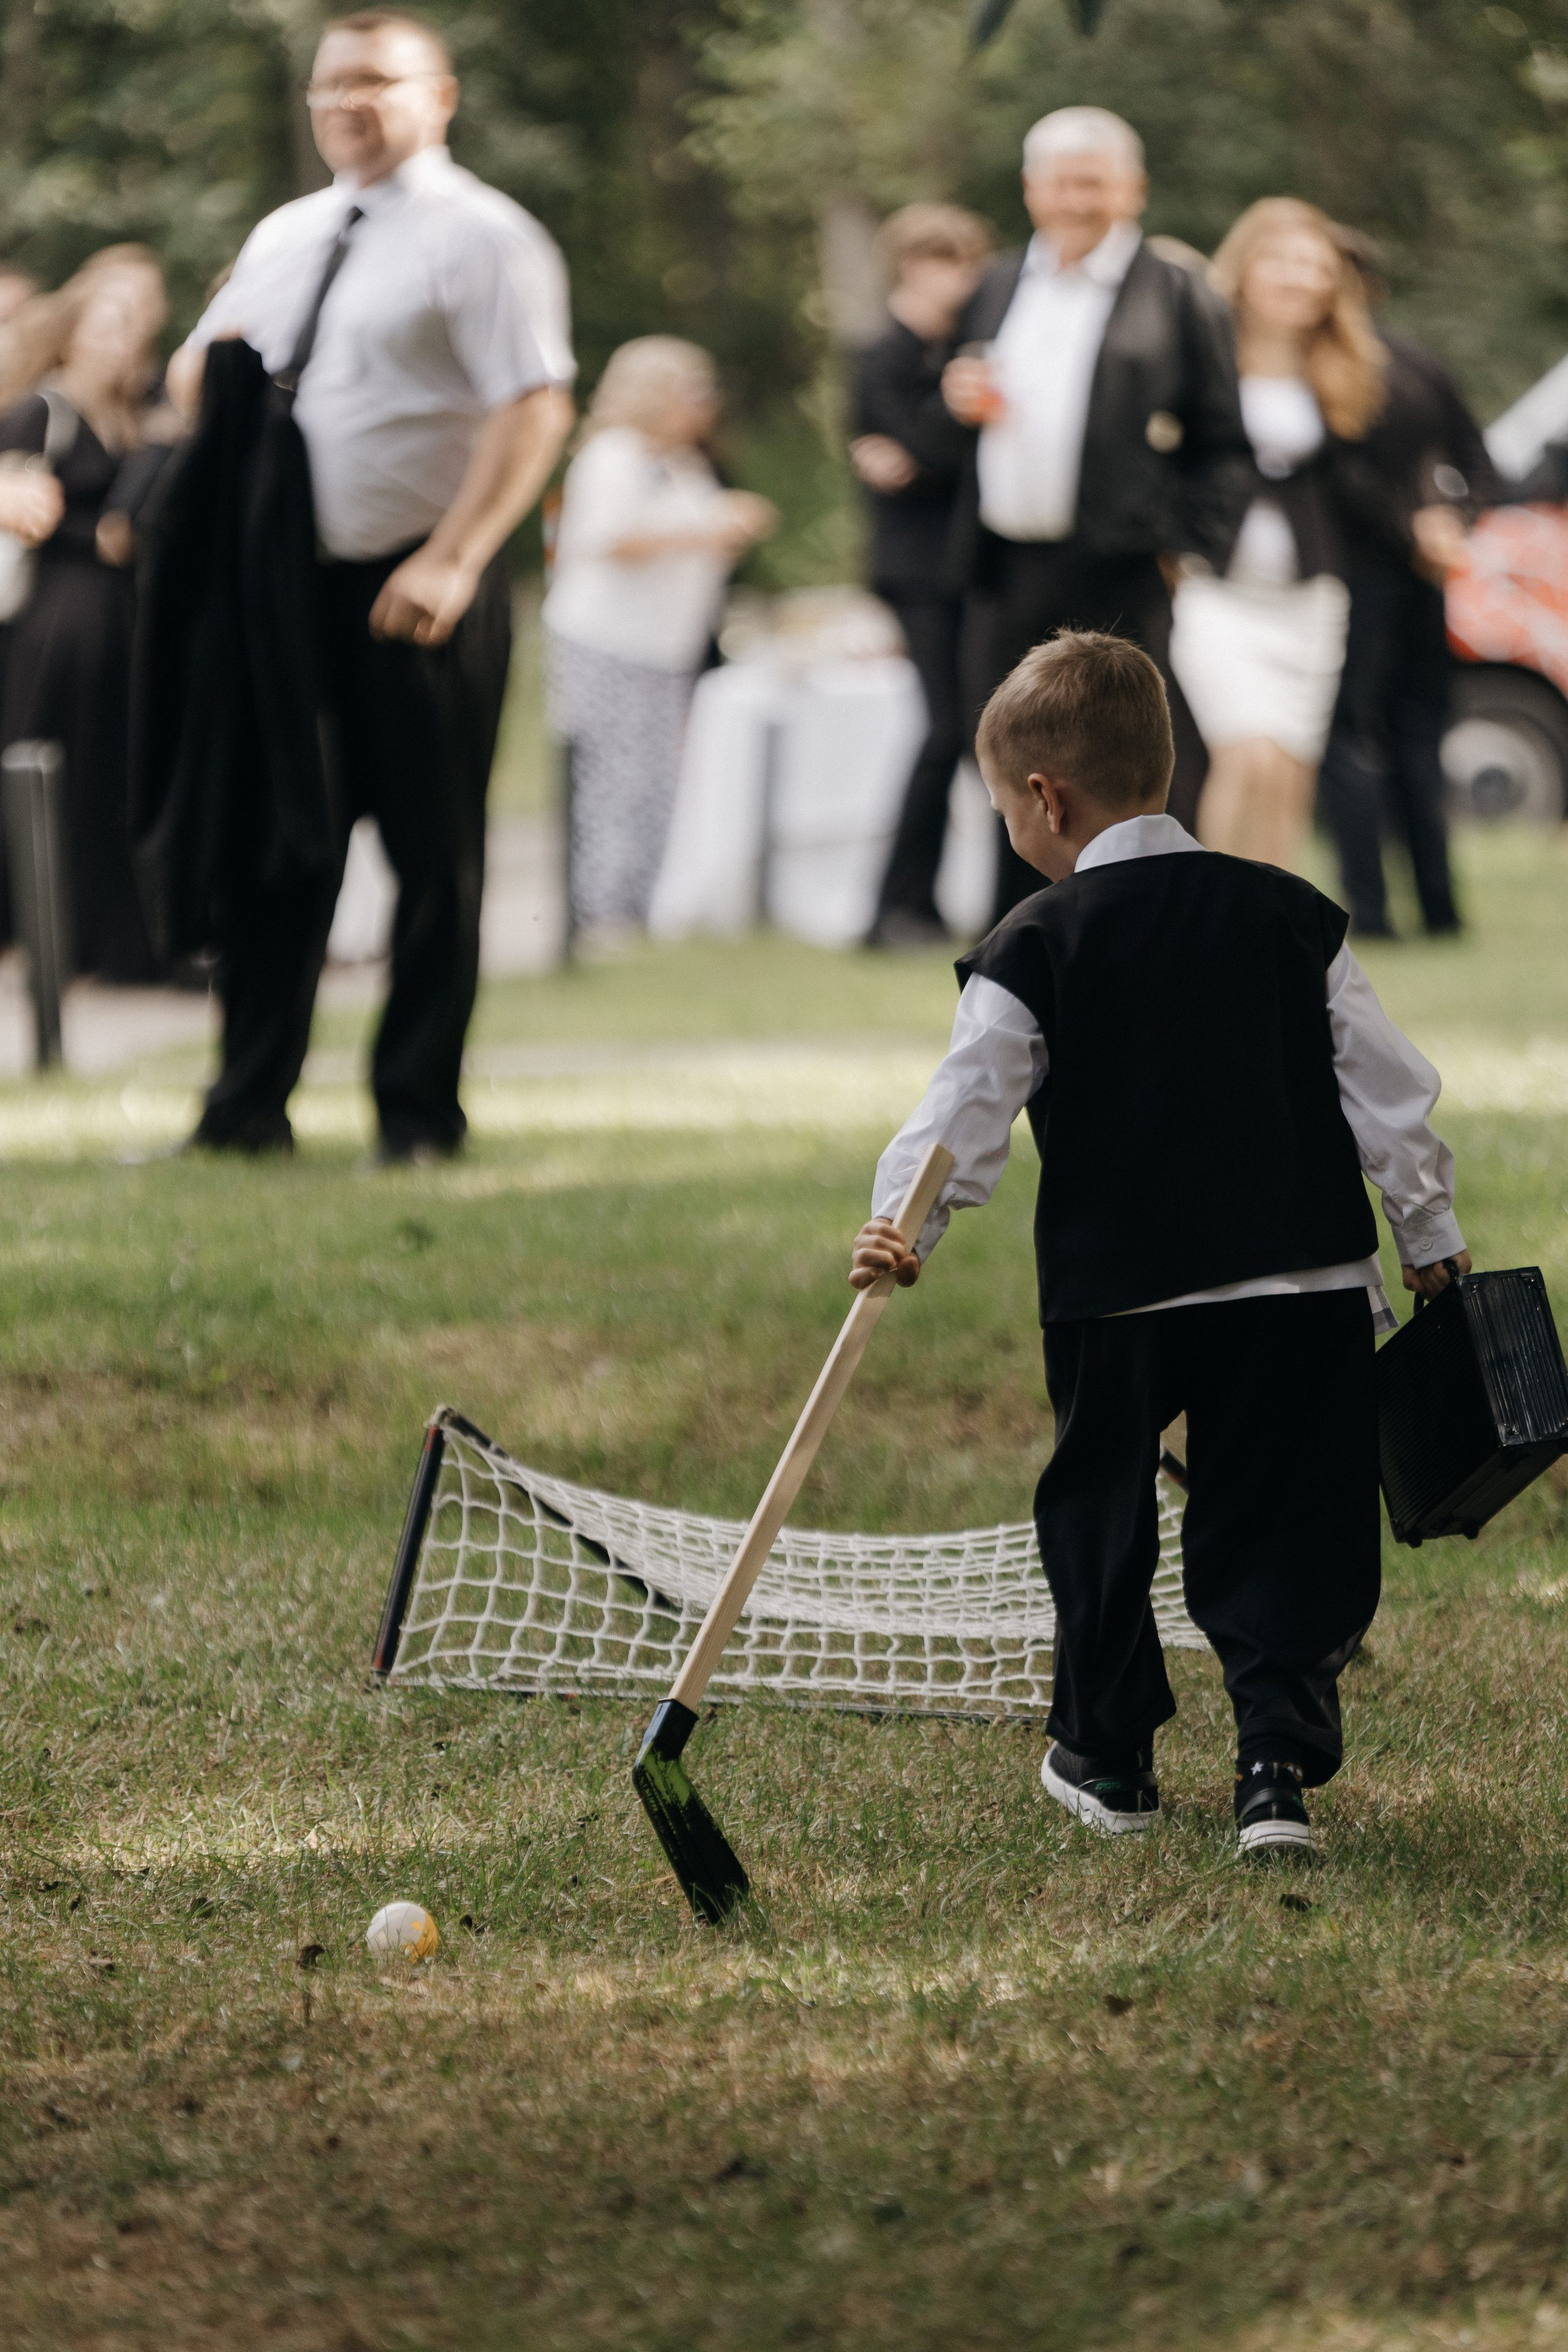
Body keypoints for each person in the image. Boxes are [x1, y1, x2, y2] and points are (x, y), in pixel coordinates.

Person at [850, 631, 1468, 1858]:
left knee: (1098, 1507)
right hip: (1301, 1281)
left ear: (1044, 797)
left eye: (1000, 809)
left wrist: (902, 1223)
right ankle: (1271, 1768)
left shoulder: (1035, 939)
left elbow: (959, 1110)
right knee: (1286, 1508)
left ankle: (1107, 1752)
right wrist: (1427, 1235)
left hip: (1120, 1290)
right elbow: (1386, 1095)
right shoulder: (1291, 915)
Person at [163, 6, 574, 1159]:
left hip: (422, 589)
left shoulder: (485, 234)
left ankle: (417, 1116)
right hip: (282, 598)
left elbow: (535, 404)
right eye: (331, 83)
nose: (349, 101)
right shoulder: (287, 231)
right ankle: (244, 1111)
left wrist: (454, 556)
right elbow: (199, 377)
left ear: (437, 97)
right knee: (274, 848)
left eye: (377, 81)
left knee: (433, 858)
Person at [941, 106, 1251, 924]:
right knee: (1004, 751)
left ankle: (1140, 920)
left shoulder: (1179, 291)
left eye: (1094, 182)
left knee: (1133, 754)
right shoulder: (1001, 282)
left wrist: (1183, 548)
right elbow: (957, 402)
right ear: (1029, 189)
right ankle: (1017, 932)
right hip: (1005, 562)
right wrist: (954, 399)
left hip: (1122, 562)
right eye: (1060, 182)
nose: (1076, 200)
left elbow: (1225, 443)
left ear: (1133, 188)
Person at [1169, 198, 1385, 870]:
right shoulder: (1199, 351)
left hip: (1309, 601)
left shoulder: (1345, 366)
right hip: (1218, 592)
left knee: (1290, 773)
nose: (1301, 279)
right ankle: (1213, 916)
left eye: (1315, 267)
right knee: (1247, 755)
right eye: (1284, 262)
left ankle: (1269, 935)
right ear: (1247, 267)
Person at [541, 337, 775, 940]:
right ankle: (599, 910)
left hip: (665, 641)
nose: (706, 407)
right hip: (607, 638)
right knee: (611, 776)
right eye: (694, 392)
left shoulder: (683, 462)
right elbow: (614, 538)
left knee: (655, 779)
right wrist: (710, 525)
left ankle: (641, 907)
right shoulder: (611, 457)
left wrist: (728, 530)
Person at [1312, 226, 1493, 940]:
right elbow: (1479, 465)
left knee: (1363, 739)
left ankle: (1392, 912)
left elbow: (1473, 463)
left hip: (1372, 575)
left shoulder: (1369, 367)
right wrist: (1440, 523)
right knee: (1406, 736)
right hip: (1404, 568)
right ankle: (1426, 910)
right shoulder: (1412, 360)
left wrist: (1443, 524)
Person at [0, 251, 170, 980]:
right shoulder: (44, 409)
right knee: (55, 777)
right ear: (69, 338)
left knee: (113, 779)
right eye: (102, 331)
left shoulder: (136, 414)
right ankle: (46, 940)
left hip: (122, 622)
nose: (114, 346)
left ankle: (113, 942)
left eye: (124, 332)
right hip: (62, 625)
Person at [850, 202, 993, 949]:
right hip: (915, 570)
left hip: (967, 564)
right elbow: (915, 453)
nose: (963, 280)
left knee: (968, 732)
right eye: (950, 263)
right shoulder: (882, 354)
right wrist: (944, 430)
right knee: (947, 731)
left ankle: (931, 903)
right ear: (913, 266)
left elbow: (927, 457)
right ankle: (895, 908)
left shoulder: (967, 348)